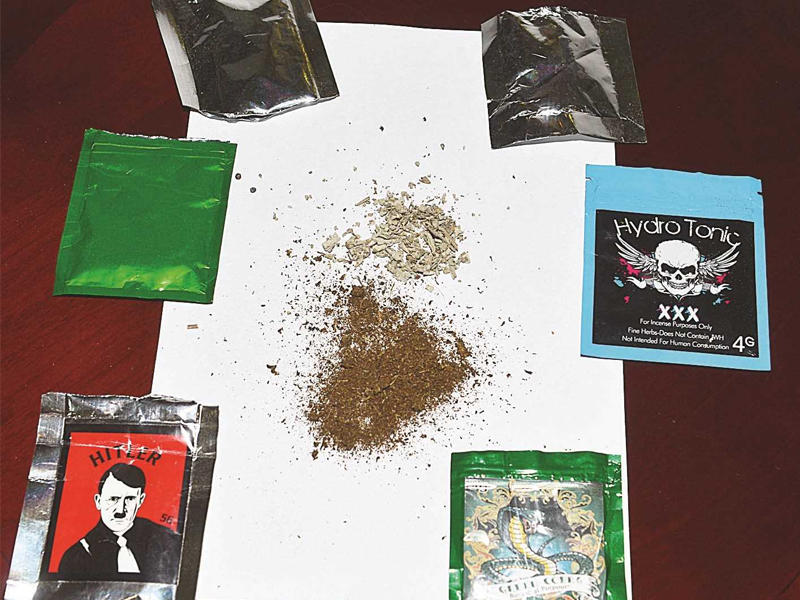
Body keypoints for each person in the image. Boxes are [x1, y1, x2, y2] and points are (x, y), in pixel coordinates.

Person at [58, 463, 180, 582]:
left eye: (130, 499)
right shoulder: (76, 557)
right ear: (98, 501)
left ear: (140, 500)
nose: (120, 511)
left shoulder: (166, 541)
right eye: (113, 499)